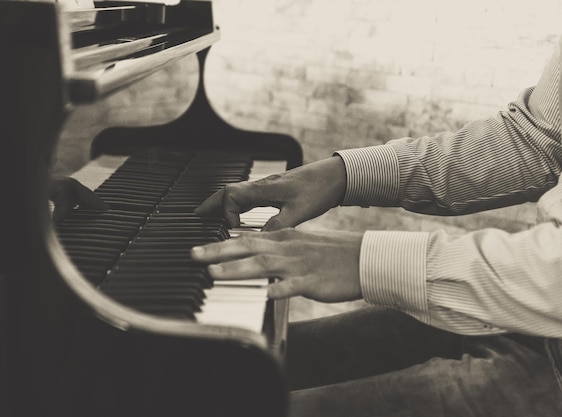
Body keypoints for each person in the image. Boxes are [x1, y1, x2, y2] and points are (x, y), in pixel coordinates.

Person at [190, 37, 562, 416]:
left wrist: (364, 260)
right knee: (218, 371)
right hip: (528, 317)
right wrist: (343, 176)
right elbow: (533, 141)